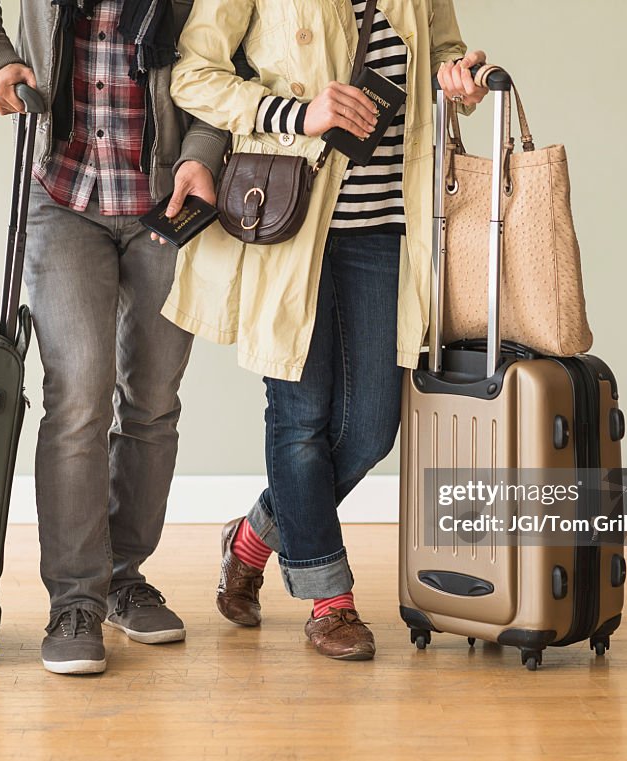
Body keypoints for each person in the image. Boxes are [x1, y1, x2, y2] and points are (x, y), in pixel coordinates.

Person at [161, 0, 489, 659]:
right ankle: (329, 600)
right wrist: (298, 113)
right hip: (292, 216)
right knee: (300, 416)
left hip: (388, 225)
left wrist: (463, 79)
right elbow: (192, 73)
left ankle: (253, 537)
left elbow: (441, 56)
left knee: (372, 427)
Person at [0, 0, 228, 675]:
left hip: (170, 194)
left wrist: (203, 150)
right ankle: (75, 599)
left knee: (154, 401)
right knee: (76, 397)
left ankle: (123, 578)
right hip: (64, 189)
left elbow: (233, 40)